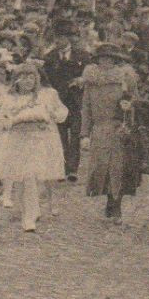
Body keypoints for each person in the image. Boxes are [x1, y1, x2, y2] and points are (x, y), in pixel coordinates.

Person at [0, 62, 68, 232]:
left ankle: (29, 217)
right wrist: (13, 121)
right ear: (16, 81)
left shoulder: (44, 96)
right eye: (23, 77)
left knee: (31, 176)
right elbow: (2, 121)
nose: (28, 81)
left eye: (31, 77)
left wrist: (51, 115)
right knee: (21, 179)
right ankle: (29, 211)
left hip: (37, 142)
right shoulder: (10, 99)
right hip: (17, 142)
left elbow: (62, 113)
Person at [80, 44, 141, 221]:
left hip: (119, 129)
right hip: (99, 130)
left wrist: (129, 111)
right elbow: (86, 108)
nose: (105, 62)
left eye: (109, 59)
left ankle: (116, 206)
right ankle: (109, 199)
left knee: (117, 168)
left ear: (116, 61)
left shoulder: (125, 79)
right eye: (102, 59)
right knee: (101, 168)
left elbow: (135, 101)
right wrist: (84, 134)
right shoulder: (91, 82)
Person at [42, 22, 88, 180]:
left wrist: (82, 79)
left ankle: (72, 169)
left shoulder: (82, 55)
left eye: (60, 38)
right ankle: (61, 168)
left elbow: (88, 74)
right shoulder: (50, 57)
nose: (57, 41)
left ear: (67, 38)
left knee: (75, 135)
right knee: (60, 136)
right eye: (55, 38)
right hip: (58, 101)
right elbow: (46, 80)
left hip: (76, 101)